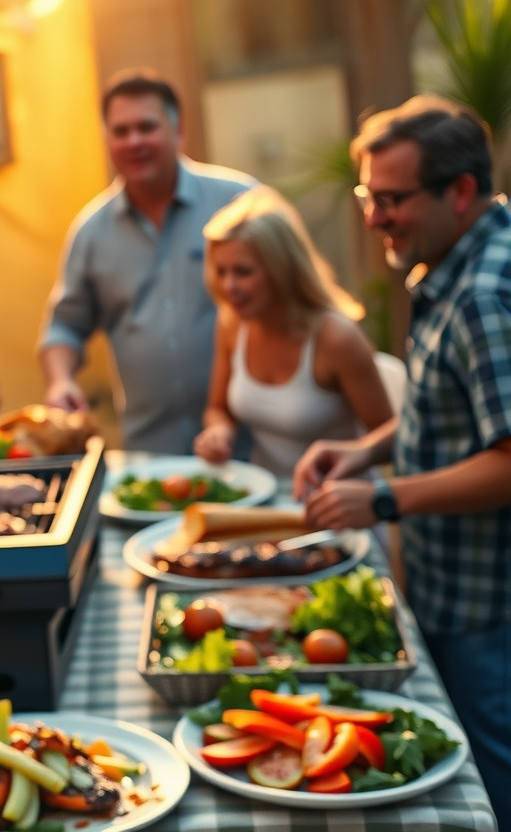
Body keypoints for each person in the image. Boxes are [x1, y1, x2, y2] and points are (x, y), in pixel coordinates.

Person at [295, 96, 511, 822]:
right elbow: (449, 413)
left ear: (460, 191)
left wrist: (384, 497)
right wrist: (362, 451)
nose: (373, 218)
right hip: (456, 592)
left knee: (492, 783)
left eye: (391, 200)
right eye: (367, 197)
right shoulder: (452, 263)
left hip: (489, 608)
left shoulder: (486, 295)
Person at [38, 69, 255, 453]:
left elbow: (299, 298)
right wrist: (60, 381)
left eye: (146, 127)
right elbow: (64, 328)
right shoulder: (91, 232)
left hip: (252, 445)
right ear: (106, 139)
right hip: (151, 453)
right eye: (120, 131)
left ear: (178, 130)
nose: (134, 141)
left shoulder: (241, 203)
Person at [192, 186, 393, 477]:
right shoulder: (232, 324)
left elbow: (390, 434)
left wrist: (346, 461)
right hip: (267, 500)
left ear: (281, 269)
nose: (228, 286)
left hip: (338, 503)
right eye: (221, 272)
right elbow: (217, 408)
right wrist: (219, 432)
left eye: (243, 272)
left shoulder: (335, 338)